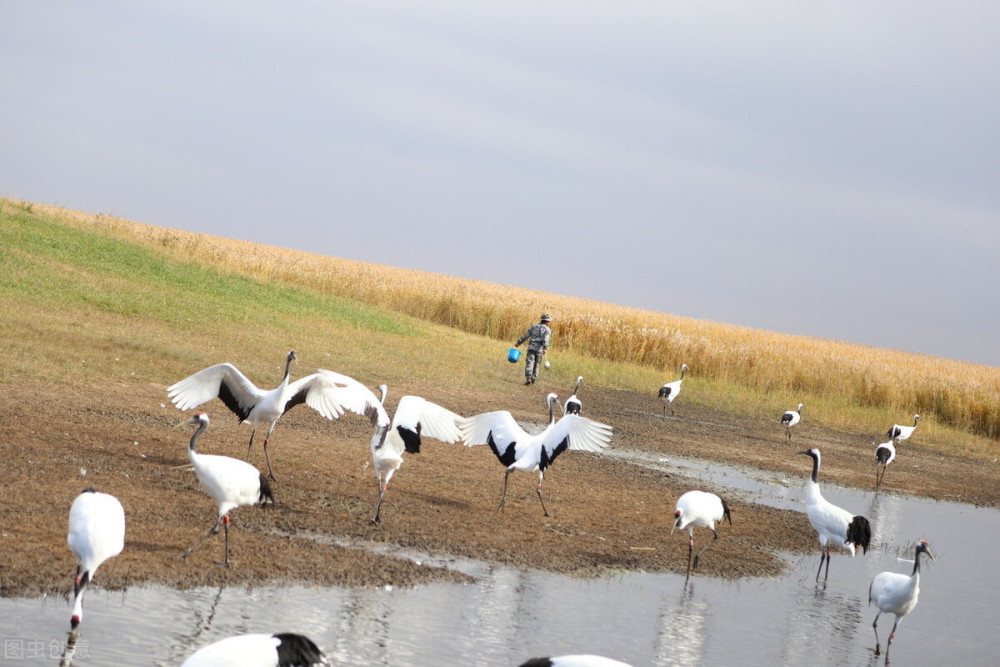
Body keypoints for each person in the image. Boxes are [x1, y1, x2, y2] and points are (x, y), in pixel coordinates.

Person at [515, 313, 552, 385]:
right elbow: (546, 340)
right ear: (547, 321)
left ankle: (528, 378)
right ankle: (533, 380)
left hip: (531, 348)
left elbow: (526, 336)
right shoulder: (547, 329)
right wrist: (545, 348)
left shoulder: (533, 326)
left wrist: (518, 343)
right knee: (537, 364)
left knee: (529, 363)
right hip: (539, 350)